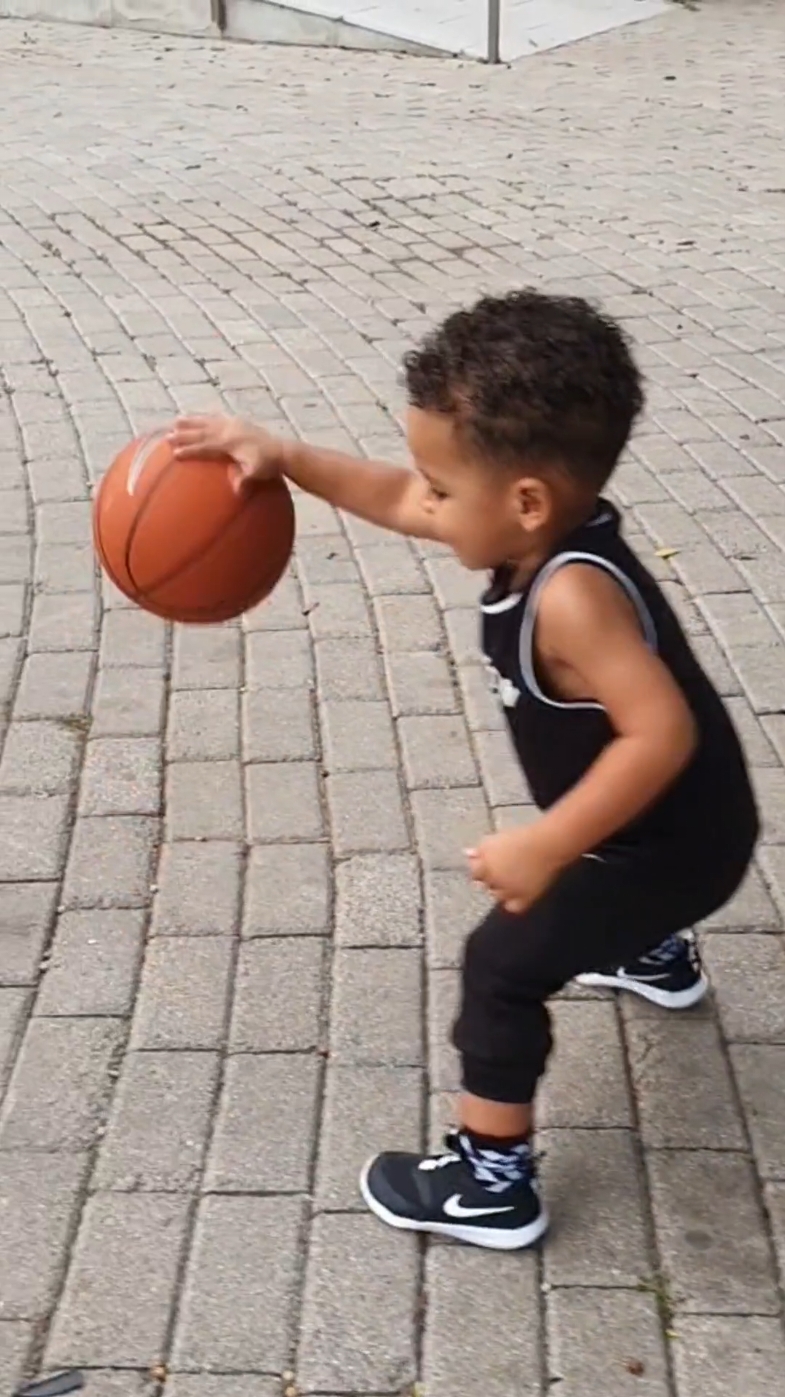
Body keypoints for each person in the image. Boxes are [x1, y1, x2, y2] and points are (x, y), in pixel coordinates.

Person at [168, 289, 759, 1251]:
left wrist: (545, 844)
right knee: (600, 898)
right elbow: (396, 497)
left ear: (524, 501)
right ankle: (650, 950)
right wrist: (284, 455)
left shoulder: (570, 598)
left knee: (498, 967)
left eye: (443, 487)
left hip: (666, 850)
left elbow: (659, 736)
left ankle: (492, 1181)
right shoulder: (539, 533)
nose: (425, 503)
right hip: (682, 833)